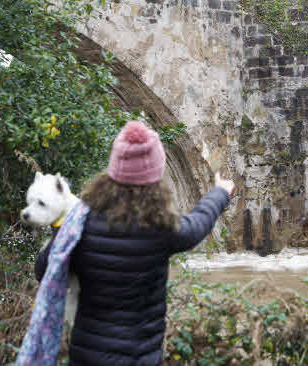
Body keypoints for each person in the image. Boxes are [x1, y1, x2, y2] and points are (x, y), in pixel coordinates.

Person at [33, 120, 234, 365]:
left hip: (88, 356)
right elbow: (197, 225)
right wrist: (220, 192)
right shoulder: (160, 227)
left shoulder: (79, 222)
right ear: (155, 175)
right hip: (140, 358)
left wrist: (60, 229)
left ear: (113, 170)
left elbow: (44, 270)